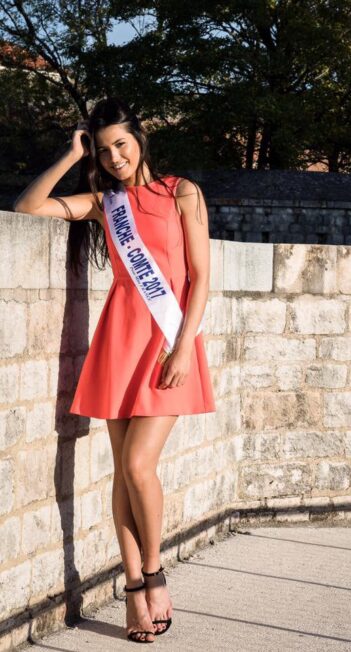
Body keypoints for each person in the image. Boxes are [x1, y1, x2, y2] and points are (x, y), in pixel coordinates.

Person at [13, 97, 216, 644]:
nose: (114, 158)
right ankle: (133, 589)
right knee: (124, 472)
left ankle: (154, 575)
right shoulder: (107, 203)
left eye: (120, 145)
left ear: (140, 139)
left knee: (138, 464)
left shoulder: (183, 192)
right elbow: (28, 207)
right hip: (119, 340)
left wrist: (182, 347)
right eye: (103, 151)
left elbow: (200, 276)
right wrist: (70, 154)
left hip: (167, 340)